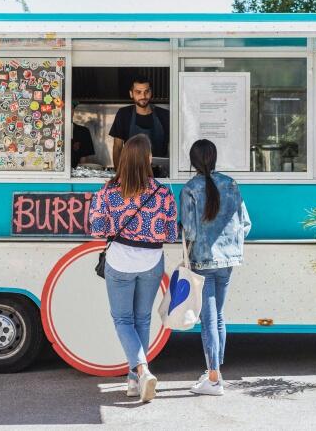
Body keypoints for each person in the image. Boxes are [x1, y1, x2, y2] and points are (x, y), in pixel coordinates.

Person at [87, 134, 178, 403]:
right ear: (149, 159)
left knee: (123, 320)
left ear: (124, 159)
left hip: (120, 261)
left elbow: (97, 229)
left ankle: (141, 370)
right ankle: (134, 379)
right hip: (151, 262)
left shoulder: (109, 190)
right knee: (142, 319)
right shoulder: (163, 192)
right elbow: (170, 233)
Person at [179, 139, 251, 396]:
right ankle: (215, 372)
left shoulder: (190, 189)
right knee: (218, 316)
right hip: (229, 260)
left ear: (193, 161)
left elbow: (190, 230)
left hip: (203, 260)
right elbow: (245, 224)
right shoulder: (231, 184)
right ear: (215, 158)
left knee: (208, 319)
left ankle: (213, 378)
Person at [109, 75, 170, 175]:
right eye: (138, 92)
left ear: (151, 92)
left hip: (160, 175)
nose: (143, 96)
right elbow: (117, 147)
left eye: (147, 91)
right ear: (131, 94)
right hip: (131, 174)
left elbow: (171, 147)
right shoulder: (124, 114)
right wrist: (119, 175)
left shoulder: (164, 115)